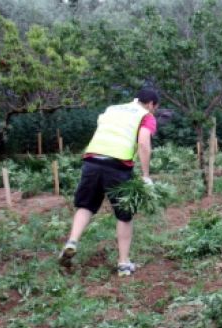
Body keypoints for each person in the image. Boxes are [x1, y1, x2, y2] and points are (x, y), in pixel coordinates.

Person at [58, 88, 159, 276]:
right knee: (124, 215)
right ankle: (123, 263)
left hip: (92, 160)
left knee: (86, 205)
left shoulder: (112, 109)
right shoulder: (146, 115)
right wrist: (146, 176)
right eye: (155, 108)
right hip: (117, 165)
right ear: (151, 104)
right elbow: (144, 143)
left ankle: (72, 241)